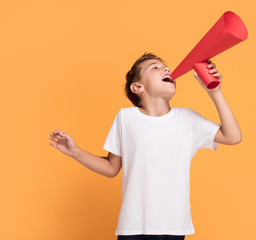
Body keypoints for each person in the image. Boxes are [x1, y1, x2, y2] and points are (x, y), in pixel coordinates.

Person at [49, 53, 242, 240]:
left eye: (165, 66)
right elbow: (111, 168)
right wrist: (75, 152)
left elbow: (232, 136)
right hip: (132, 226)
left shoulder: (188, 119)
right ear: (137, 87)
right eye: (155, 67)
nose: (166, 69)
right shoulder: (126, 118)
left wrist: (214, 91)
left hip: (172, 226)